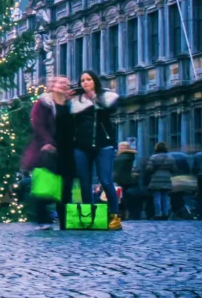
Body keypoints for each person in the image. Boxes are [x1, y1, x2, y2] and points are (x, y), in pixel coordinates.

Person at [70, 70, 122, 231]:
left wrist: (95, 98)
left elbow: (112, 108)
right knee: (84, 183)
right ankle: (88, 216)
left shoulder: (106, 96)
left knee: (105, 180)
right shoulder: (76, 101)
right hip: (81, 146)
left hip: (103, 144)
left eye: (88, 79)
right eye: (82, 80)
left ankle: (114, 216)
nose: (85, 83)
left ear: (95, 81)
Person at [21, 76, 70, 231]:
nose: (63, 86)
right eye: (60, 83)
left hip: (67, 150)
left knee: (65, 188)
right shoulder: (43, 104)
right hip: (47, 150)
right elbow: (38, 124)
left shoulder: (71, 105)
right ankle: (43, 220)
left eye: (66, 84)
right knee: (45, 185)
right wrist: (48, 142)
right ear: (52, 86)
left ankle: (65, 221)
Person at [145, 141, 176, 220]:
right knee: (165, 196)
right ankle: (165, 213)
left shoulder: (154, 157)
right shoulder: (170, 157)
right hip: (166, 178)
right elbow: (174, 169)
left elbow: (149, 168)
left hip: (156, 178)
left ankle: (158, 213)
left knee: (157, 197)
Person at [113, 141, 138, 221]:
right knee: (120, 197)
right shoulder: (119, 155)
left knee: (121, 197)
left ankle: (122, 213)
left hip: (123, 179)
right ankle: (121, 212)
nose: (121, 148)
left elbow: (119, 167)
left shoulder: (127, 156)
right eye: (120, 146)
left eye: (123, 147)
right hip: (118, 178)